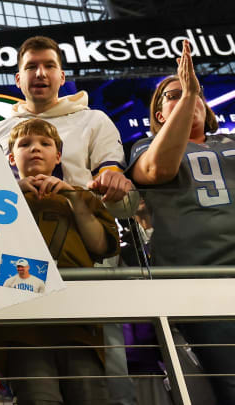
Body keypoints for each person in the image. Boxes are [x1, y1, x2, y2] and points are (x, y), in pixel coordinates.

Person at [126, 40, 235, 403]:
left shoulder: (231, 141)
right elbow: (157, 170)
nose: (190, 98)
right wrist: (188, 93)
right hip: (201, 285)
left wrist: (187, 95)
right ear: (159, 115)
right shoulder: (145, 146)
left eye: (196, 95)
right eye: (174, 96)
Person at [0, 118, 119, 405]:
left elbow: (100, 245)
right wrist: (11, 194)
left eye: (45, 144)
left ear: (58, 156)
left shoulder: (82, 196)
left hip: (77, 321)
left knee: (89, 395)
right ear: (11, 157)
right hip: (21, 325)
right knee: (38, 396)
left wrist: (73, 197)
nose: (35, 149)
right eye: (25, 144)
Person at [0, 36, 132, 204]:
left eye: (49, 66)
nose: (40, 73)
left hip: (82, 227)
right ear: (18, 80)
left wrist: (116, 184)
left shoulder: (94, 120)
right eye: (31, 67)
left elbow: (119, 201)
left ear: (62, 77)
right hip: (12, 227)